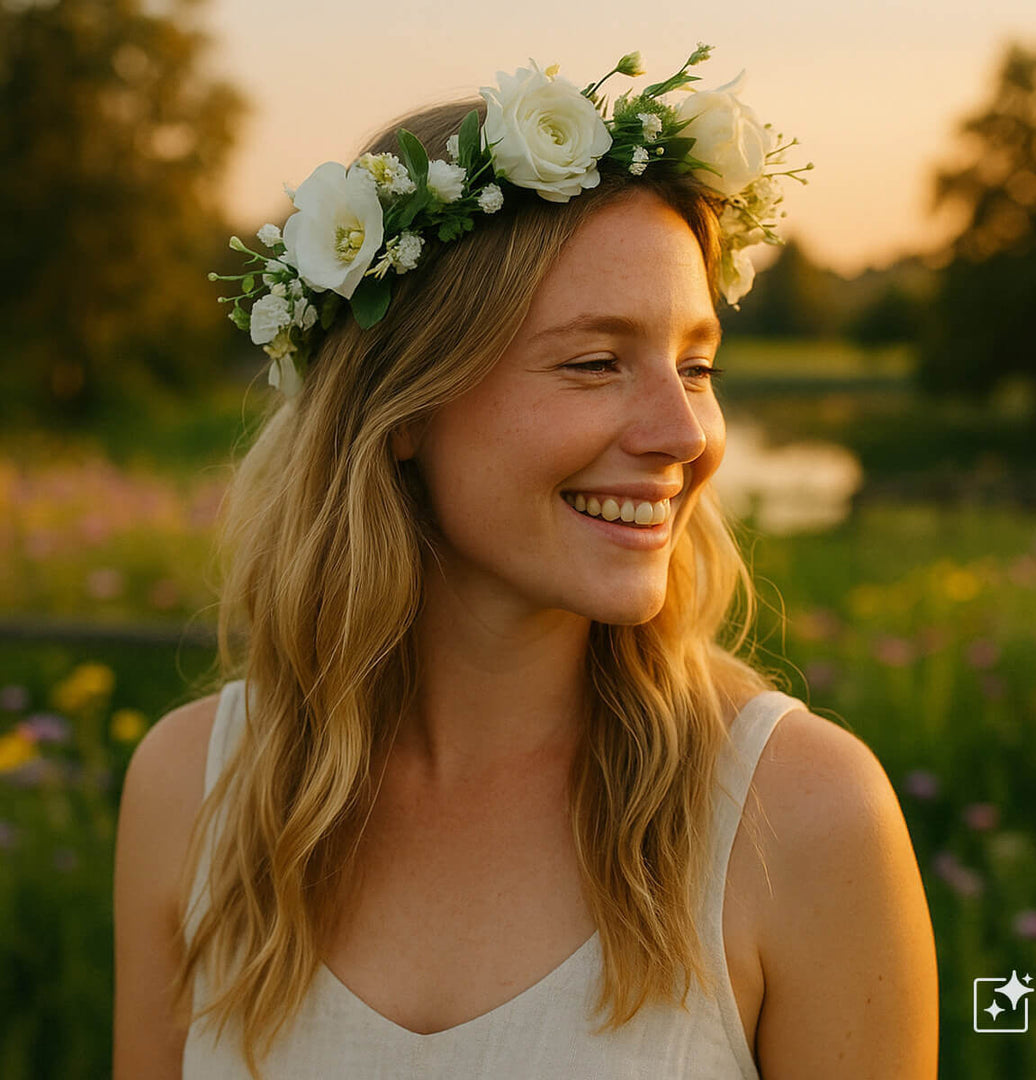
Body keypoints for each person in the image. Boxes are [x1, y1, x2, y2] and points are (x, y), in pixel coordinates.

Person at [112, 45, 938, 1079]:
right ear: (404, 410)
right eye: (595, 362)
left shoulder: (805, 819)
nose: (685, 433)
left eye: (697, 364)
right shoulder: (193, 789)